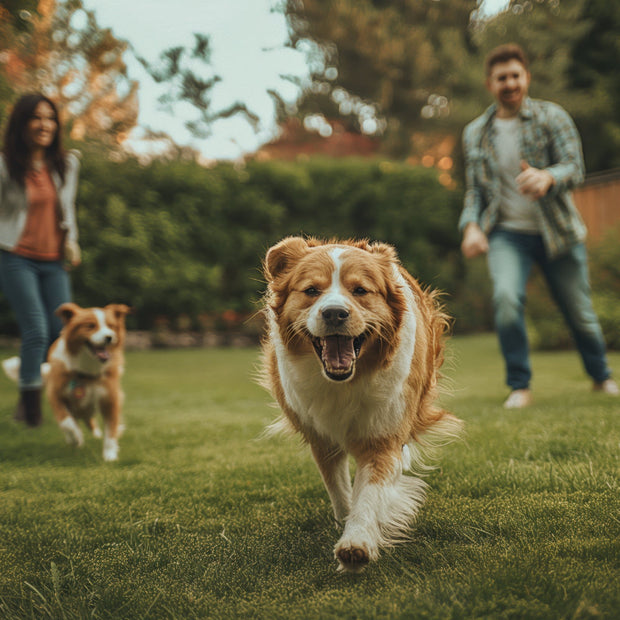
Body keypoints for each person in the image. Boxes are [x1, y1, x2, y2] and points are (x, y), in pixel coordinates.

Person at [459, 43, 618, 409]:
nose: (510, 83)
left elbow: (574, 167)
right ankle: (520, 386)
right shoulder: (475, 133)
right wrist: (471, 226)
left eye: (516, 75)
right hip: (507, 234)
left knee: (580, 313)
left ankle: (601, 378)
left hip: (559, 233)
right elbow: (475, 191)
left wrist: (548, 177)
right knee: (505, 301)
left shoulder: (553, 117)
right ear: (490, 84)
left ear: (526, 78)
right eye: (502, 78)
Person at [0, 93, 81, 426]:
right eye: (36, 117)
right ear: (22, 124)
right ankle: (30, 409)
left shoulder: (67, 163)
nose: (44, 124)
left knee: (64, 330)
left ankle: (66, 392)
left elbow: (68, 207)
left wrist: (72, 241)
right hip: (15, 256)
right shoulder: (5, 165)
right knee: (35, 328)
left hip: (53, 259)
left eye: (50, 118)